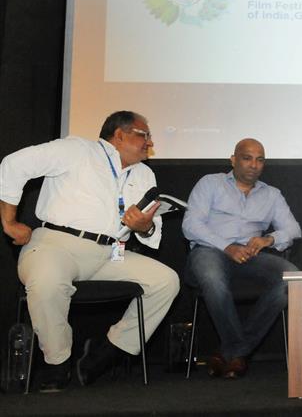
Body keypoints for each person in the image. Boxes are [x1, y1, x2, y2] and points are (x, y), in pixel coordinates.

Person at [0, 111, 179, 392]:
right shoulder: (77, 150)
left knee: (166, 281)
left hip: (109, 253)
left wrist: (143, 226)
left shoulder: (145, 174)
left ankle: (102, 356)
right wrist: (9, 222)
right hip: (55, 245)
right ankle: (57, 363)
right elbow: (13, 164)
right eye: (144, 135)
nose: (150, 142)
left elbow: (150, 231)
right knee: (47, 281)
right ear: (119, 135)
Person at [182, 138, 301, 378]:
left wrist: (269, 239)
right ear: (233, 159)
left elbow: (294, 230)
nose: (254, 165)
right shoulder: (210, 183)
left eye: (260, 159)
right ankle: (239, 353)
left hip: (251, 256)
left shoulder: (272, 194)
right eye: (247, 158)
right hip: (210, 251)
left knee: (294, 280)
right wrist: (227, 247)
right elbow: (191, 225)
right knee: (213, 278)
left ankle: (231, 351)